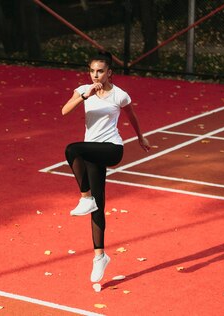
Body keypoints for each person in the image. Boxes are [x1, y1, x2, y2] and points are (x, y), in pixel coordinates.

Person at [61, 51, 151, 283]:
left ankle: (84, 197)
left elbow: (132, 116)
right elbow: (64, 110)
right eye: (92, 71)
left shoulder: (119, 95)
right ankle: (100, 256)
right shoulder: (83, 90)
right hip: (92, 151)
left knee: (72, 149)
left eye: (100, 71)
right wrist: (84, 96)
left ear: (109, 72)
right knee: (98, 207)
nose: (95, 75)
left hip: (112, 148)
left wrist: (141, 138)